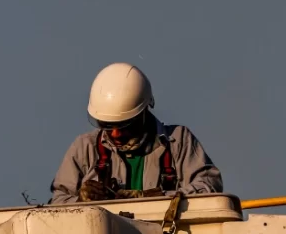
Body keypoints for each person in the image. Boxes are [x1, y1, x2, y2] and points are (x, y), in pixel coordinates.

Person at [49, 63, 223, 204]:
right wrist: (81, 201)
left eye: (124, 125)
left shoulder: (177, 141)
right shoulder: (84, 148)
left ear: (143, 113)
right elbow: (57, 203)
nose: (115, 134)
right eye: (107, 125)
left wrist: (163, 198)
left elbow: (210, 186)